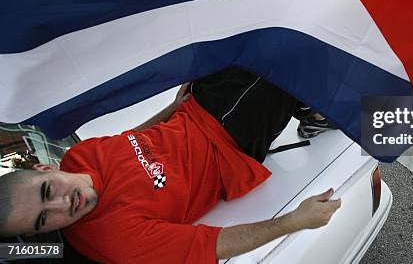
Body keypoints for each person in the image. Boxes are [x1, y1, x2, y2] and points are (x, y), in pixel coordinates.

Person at [0, 67, 341, 263]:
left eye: (47, 191)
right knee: (280, 57)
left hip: (195, 110)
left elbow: (130, 138)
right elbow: (215, 244)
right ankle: (339, 114)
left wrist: (176, 107)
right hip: (227, 145)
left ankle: (312, 109)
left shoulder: (78, 156)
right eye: (45, 219)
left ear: (47, 170)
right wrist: (293, 222)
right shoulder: (116, 241)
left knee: (238, 33)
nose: (63, 204)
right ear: (39, 232)